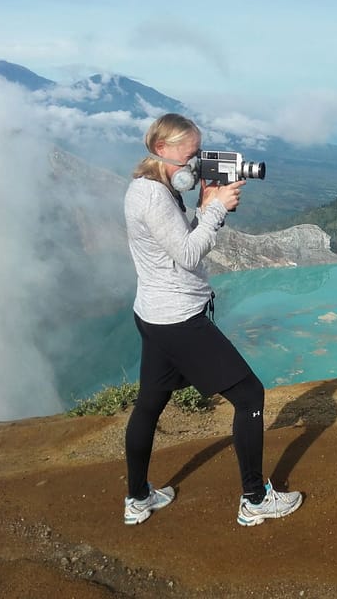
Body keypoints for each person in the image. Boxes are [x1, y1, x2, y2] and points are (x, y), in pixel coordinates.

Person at [122, 113, 302, 526]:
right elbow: (187, 254)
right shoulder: (153, 196)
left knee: (149, 404)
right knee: (249, 396)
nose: (196, 161)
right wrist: (216, 210)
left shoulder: (147, 188)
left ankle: (137, 498)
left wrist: (203, 208)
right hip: (179, 318)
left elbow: (173, 242)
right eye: (190, 154)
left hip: (152, 313)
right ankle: (256, 501)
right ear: (161, 150)